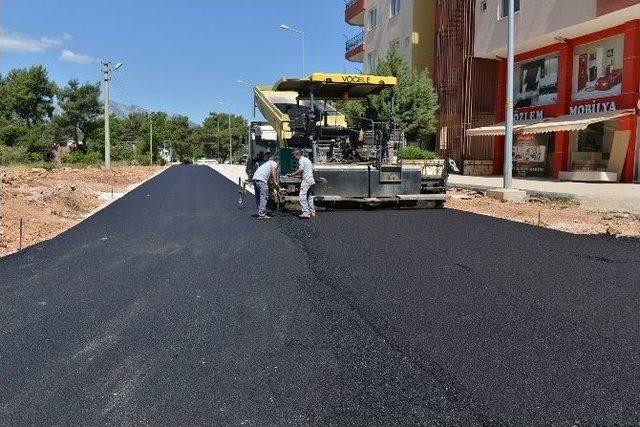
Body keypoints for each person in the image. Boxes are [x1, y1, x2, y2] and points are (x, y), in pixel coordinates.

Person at [287, 150, 316, 219]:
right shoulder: (307, 160)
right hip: (311, 180)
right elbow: (312, 169)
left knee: (302, 196)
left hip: (306, 181)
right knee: (309, 196)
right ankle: (312, 211)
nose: (294, 158)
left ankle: (306, 212)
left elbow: (300, 169)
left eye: (294, 156)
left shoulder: (301, 160)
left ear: (297, 155)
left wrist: (292, 174)